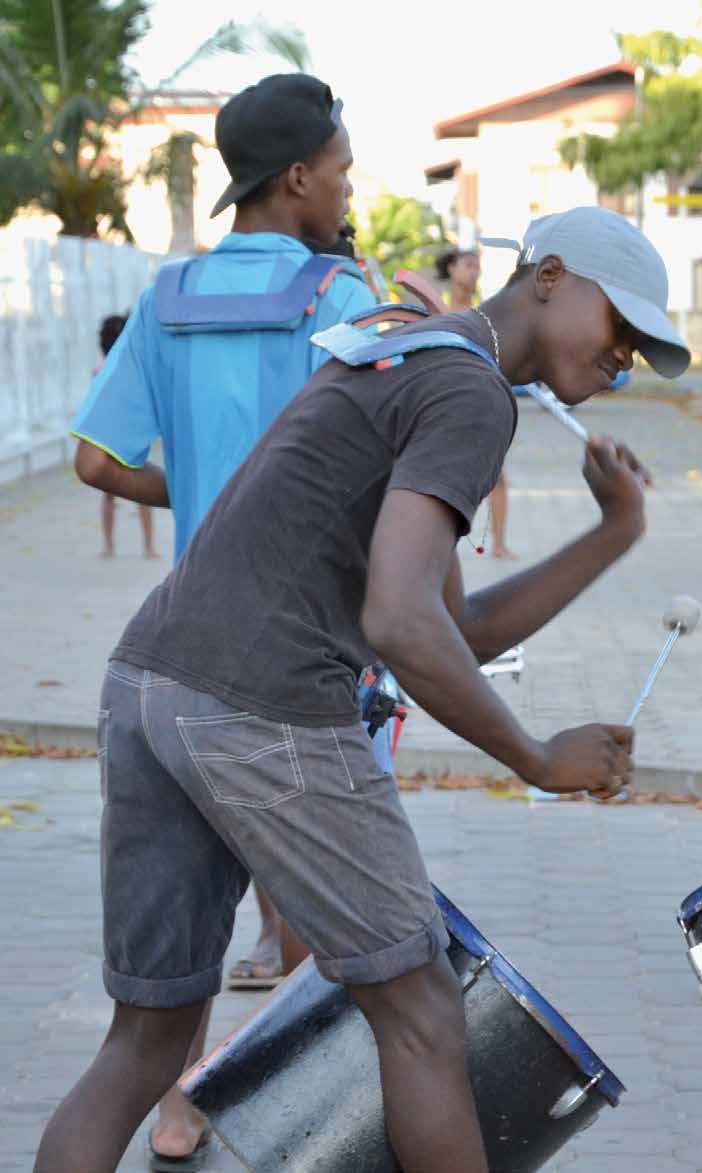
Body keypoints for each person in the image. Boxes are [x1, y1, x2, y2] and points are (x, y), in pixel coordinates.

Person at [34, 205, 690, 1173]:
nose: (623, 360)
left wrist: (612, 532)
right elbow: (398, 622)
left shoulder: (410, 351)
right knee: (422, 1007)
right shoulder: (471, 393)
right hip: (266, 701)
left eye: (642, 350)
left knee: (150, 1037)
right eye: (620, 326)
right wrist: (534, 756)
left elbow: (449, 623)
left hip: (152, 682)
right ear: (548, 275)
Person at [67, 72, 376, 1171]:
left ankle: (175, 1107)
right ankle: (280, 1099)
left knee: (176, 947)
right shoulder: (342, 298)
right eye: (340, 170)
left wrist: (201, 486)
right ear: (298, 178)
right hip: (302, 648)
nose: (348, 189)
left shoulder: (166, 297)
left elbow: (96, 458)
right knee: (326, 910)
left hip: (180, 647)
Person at [438, 246, 515, 559]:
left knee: (497, 476)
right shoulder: (437, 311)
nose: (474, 272)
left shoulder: (484, 316)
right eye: (468, 265)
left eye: (477, 266)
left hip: (479, 404)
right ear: (452, 269)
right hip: (443, 405)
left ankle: (498, 544)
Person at [93, 314, 157, 560]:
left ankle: (109, 546)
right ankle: (147, 546)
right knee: (142, 492)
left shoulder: (100, 370)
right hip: (131, 434)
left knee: (109, 494)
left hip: (107, 435)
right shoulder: (130, 370)